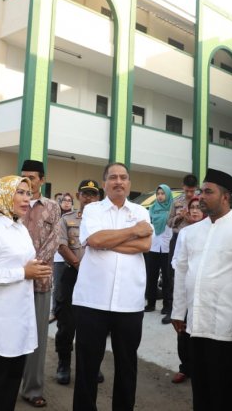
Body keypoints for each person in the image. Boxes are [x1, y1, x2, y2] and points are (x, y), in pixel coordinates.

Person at [171, 168, 232, 411]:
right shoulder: (189, 233)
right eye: (201, 190)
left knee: (226, 393)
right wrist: (178, 312)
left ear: (225, 197)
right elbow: (181, 272)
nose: (201, 196)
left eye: (208, 191)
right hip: (196, 325)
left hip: (227, 326)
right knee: (200, 389)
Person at [73, 162, 153, 411]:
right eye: (113, 177)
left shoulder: (142, 211)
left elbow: (145, 246)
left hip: (129, 302)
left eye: (124, 177)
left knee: (127, 365)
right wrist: (132, 232)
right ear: (105, 183)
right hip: (91, 301)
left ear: (129, 183)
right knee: (87, 367)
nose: (119, 181)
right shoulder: (92, 210)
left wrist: (108, 241)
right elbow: (94, 239)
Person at [0, 175, 53, 411]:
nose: (27, 198)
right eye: (20, 192)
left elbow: (22, 264)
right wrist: (23, 272)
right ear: (4, 195)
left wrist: (35, 269)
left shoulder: (18, 227)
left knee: (10, 386)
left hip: (19, 318)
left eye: (28, 193)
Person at [18, 159, 61, 408]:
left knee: (36, 338)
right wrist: (18, 270)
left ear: (42, 180)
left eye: (32, 177)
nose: (28, 181)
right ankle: (9, 382)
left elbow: (54, 239)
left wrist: (33, 268)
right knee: (11, 333)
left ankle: (32, 389)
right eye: (24, 177)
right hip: (13, 280)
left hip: (40, 282)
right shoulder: (12, 205)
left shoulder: (53, 207)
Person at [54, 180, 101, 385]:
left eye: (93, 194)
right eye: (85, 194)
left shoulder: (104, 220)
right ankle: (64, 364)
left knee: (94, 325)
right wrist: (79, 265)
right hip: (73, 275)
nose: (89, 198)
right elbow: (61, 245)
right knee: (67, 323)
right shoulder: (67, 219)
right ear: (78, 195)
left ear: (98, 197)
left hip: (98, 277)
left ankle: (92, 366)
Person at [169, 196, 205, 384]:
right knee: (182, 328)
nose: (195, 210)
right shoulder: (184, 233)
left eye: (199, 207)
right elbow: (176, 260)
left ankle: (200, 366)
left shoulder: (210, 231)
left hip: (204, 289)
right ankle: (185, 367)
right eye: (192, 207)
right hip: (185, 286)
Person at [166, 174, 199, 325]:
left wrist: (191, 219)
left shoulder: (201, 201)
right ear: (183, 187)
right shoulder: (177, 201)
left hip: (198, 241)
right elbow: (169, 222)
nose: (190, 194)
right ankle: (173, 311)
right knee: (174, 274)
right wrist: (181, 218)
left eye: (192, 191)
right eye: (187, 191)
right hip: (178, 239)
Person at [145, 184, 173, 322]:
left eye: (163, 193)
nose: (160, 196)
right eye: (158, 193)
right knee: (151, 276)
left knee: (167, 278)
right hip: (154, 247)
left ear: (167, 195)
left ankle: (167, 306)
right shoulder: (152, 209)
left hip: (167, 248)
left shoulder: (171, 209)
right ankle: (150, 303)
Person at [51, 193, 75, 324]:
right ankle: (55, 311)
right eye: (63, 200)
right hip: (58, 258)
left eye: (69, 201)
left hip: (71, 258)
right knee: (58, 287)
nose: (66, 203)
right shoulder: (55, 217)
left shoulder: (76, 217)